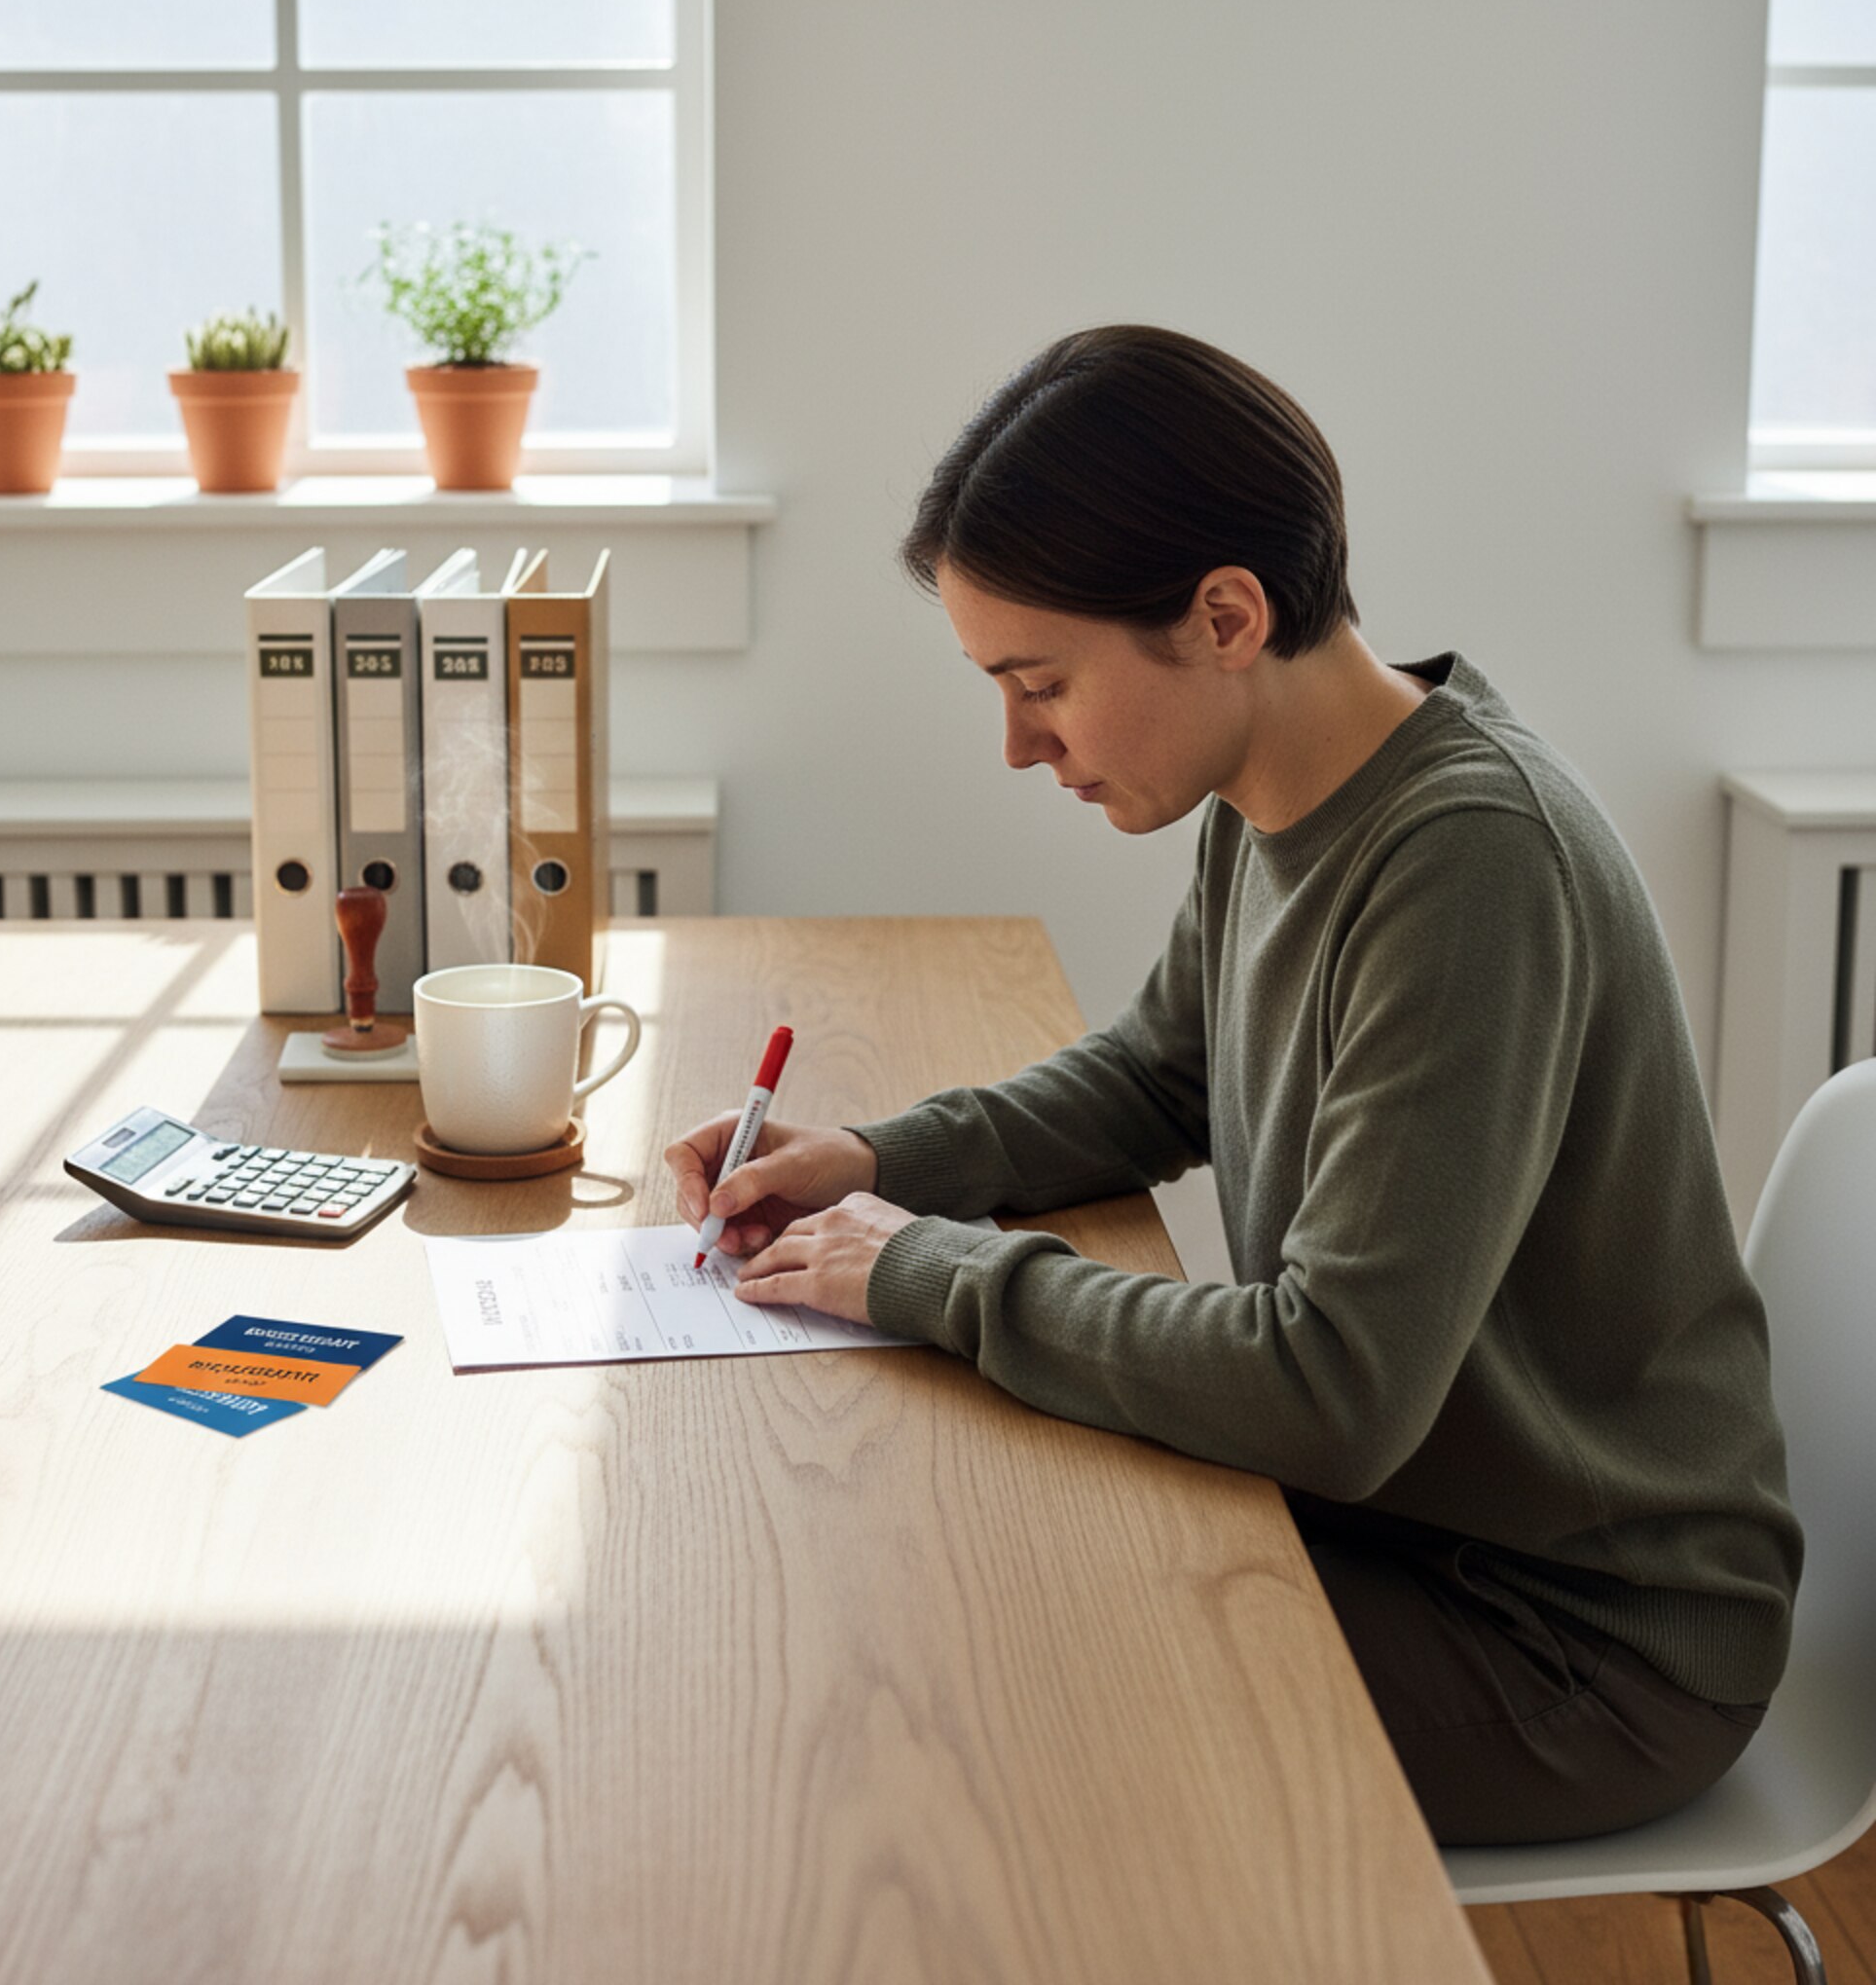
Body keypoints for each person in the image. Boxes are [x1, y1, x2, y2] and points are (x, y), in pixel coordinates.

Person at [662, 323, 1802, 1848]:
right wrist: (876, 1163)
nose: (1015, 745)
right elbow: (1158, 1076)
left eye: (1041, 681)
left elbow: (1329, 1388)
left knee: (960, 1688)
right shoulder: (1269, 785)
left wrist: (929, 1270)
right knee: (948, 1570)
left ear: (1222, 616)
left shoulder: (1471, 864)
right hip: (1412, 1536)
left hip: (1576, 1647)